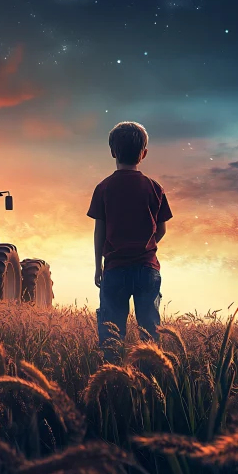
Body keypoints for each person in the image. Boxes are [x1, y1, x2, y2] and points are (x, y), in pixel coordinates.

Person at [87, 121, 173, 346]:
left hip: (115, 268)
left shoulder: (104, 188)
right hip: (147, 268)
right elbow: (161, 229)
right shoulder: (154, 188)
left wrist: (98, 266)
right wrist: (146, 245)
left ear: (112, 152)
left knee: (111, 333)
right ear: (144, 154)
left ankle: (112, 366)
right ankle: (150, 367)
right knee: (150, 332)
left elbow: (99, 232)